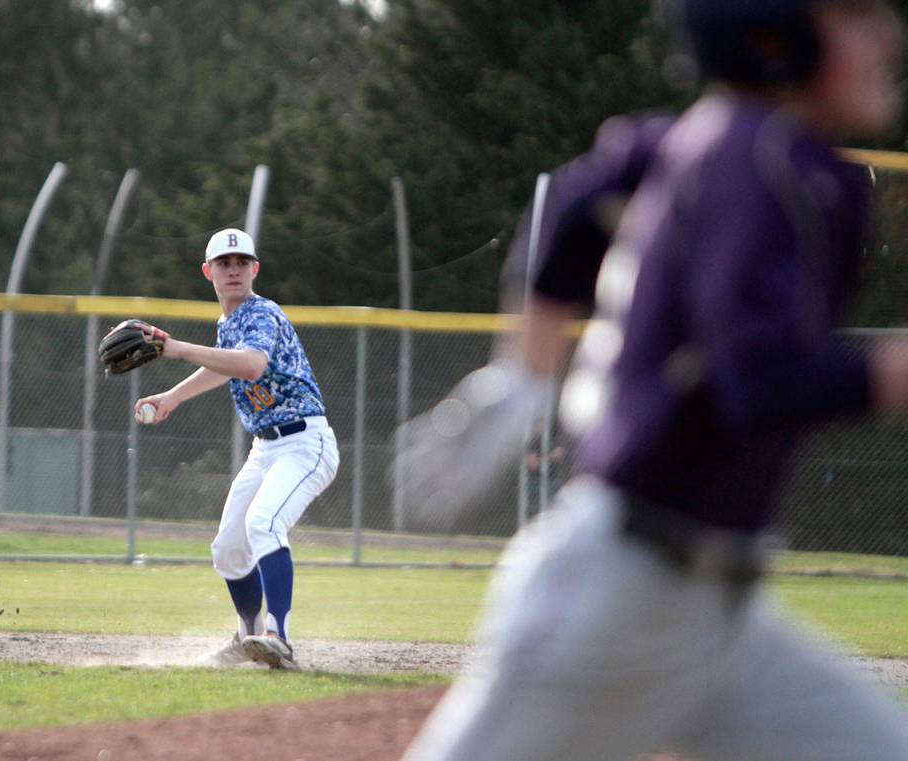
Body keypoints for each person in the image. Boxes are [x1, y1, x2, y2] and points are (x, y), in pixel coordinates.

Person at [400, 0, 908, 758]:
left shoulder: (724, 142)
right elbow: (760, 380)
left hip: (715, 613)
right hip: (617, 602)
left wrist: (524, 370)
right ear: (778, 35)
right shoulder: (763, 159)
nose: (887, 38)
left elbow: (575, 203)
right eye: (855, 18)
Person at [136, 228, 339, 671]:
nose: (233, 270)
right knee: (228, 548)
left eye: (242, 263)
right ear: (208, 271)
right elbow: (225, 368)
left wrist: (177, 348)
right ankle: (248, 636)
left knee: (263, 523)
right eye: (224, 264)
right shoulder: (229, 323)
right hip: (265, 448)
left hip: (305, 443)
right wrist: (172, 396)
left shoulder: (260, 312)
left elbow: (250, 365)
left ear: (255, 270)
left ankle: (278, 637)